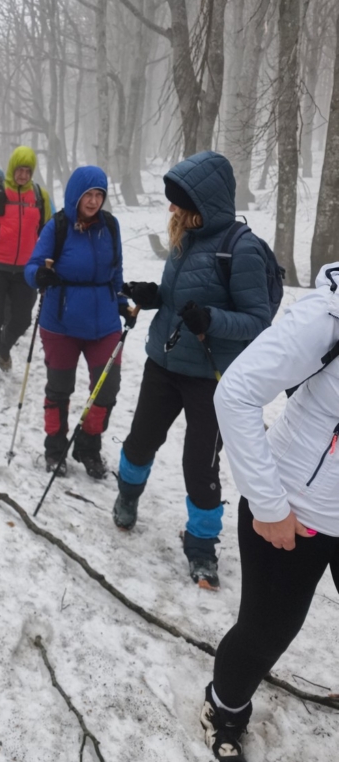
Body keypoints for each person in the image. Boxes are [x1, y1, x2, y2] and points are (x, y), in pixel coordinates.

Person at [199, 262, 339, 762]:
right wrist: (269, 505)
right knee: (265, 633)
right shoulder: (328, 316)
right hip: (298, 512)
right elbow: (235, 393)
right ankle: (224, 711)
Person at [114, 150, 271, 589]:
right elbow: (178, 297)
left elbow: (258, 320)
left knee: (200, 465)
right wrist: (153, 295)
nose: (172, 207)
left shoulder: (242, 249)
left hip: (210, 378)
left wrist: (212, 320)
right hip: (163, 363)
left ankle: (201, 545)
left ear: (204, 201)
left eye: (179, 199)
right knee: (141, 441)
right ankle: (127, 496)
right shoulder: (185, 237)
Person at [25, 166, 133, 479]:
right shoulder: (58, 226)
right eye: (88, 194)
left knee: (107, 389)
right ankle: (55, 448)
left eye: (99, 195)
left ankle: (88, 445)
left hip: (104, 323)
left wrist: (122, 303)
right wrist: (39, 275)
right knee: (59, 390)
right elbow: (33, 265)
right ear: (76, 195)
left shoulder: (110, 226)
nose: (94, 201)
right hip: (61, 323)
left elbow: (116, 271)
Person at [0, 146, 53, 389]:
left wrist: (48, 269)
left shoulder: (40, 197)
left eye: (27, 171)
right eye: (19, 170)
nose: (23, 175)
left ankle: (3, 348)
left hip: (27, 270)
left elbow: (50, 235)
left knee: (23, 318)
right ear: (12, 169)